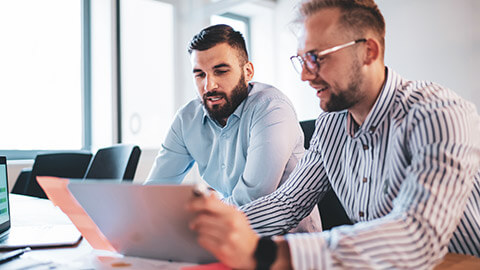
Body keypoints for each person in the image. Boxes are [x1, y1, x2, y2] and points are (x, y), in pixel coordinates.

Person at [187, 1, 480, 269]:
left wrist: (269, 253)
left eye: (316, 57)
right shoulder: (331, 124)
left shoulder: (439, 114)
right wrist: (212, 230)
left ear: (369, 51)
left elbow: (416, 236)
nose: (304, 75)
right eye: (301, 59)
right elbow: (287, 203)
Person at [146, 24, 321, 231]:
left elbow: (252, 201)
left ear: (247, 72)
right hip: (224, 234)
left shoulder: (272, 108)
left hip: (288, 246)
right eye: (200, 75)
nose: (209, 86)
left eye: (220, 72)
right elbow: (153, 194)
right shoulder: (187, 119)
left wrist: (186, 216)